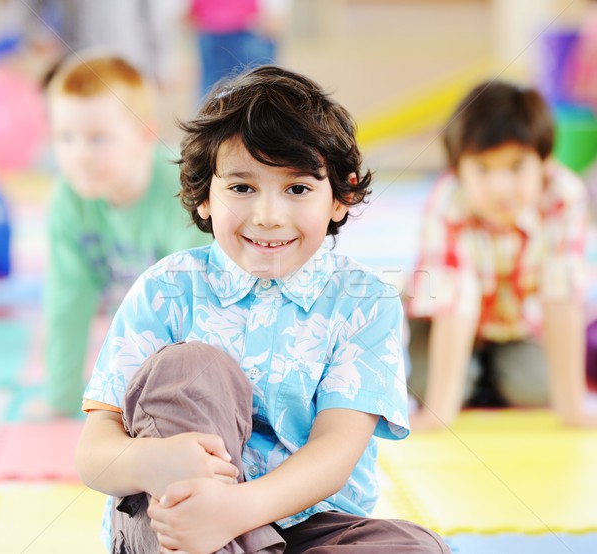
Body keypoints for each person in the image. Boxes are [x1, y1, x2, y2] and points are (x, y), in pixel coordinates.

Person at [75, 65, 451, 553]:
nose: (268, 216)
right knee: (190, 366)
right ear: (202, 195)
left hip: (311, 526)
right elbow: (93, 453)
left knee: (420, 548)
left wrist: (234, 513)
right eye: (241, 188)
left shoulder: (366, 302)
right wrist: (150, 461)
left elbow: (334, 452)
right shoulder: (166, 288)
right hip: (177, 520)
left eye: (297, 189)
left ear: (340, 197)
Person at [406, 80, 597, 431]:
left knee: (537, 390)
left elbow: (561, 297)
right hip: (442, 322)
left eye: (516, 166)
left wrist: (573, 410)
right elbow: (453, 304)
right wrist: (439, 413)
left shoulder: (563, 196)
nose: (500, 187)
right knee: (433, 391)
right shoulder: (449, 200)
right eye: (482, 168)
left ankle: (485, 375)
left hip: (514, 325)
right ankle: (472, 376)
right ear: (456, 169)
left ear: (545, 161)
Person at [42, 53, 210, 419]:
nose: (78, 155)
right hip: (134, 326)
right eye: (64, 138)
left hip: (194, 331)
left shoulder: (179, 192)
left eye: (97, 138)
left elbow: (196, 303)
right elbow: (67, 300)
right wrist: (61, 397)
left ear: (144, 136)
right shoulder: (68, 199)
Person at [189, 0, 292, 98]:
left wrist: (275, 12)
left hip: (249, 26)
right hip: (211, 27)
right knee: (213, 93)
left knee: (258, 88)